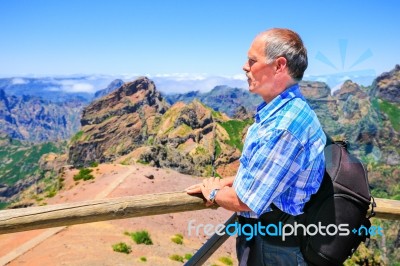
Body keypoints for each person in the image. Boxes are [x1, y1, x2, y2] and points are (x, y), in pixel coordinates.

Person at [186, 28, 326, 265]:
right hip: (277, 241)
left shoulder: (284, 127)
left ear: (279, 66)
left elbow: (247, 202)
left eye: (252, 60)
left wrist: (213, 191)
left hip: (273, 247)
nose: (244, 67)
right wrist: (228, 181)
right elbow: (270, 176)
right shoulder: (292, 111)